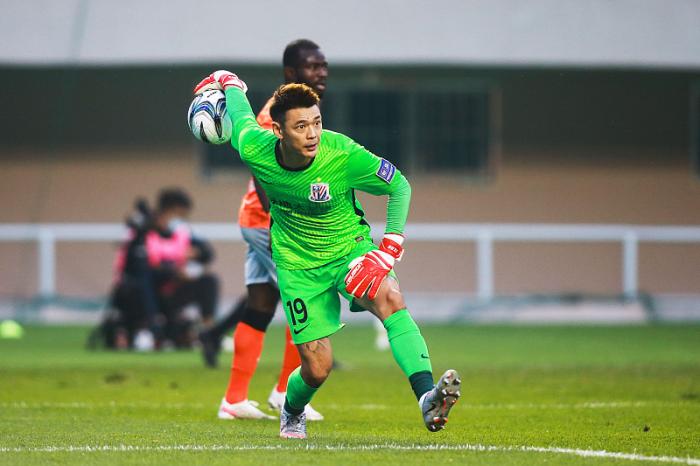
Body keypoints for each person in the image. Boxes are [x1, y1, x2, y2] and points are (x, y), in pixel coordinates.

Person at [192, 72, 461, 439]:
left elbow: (399, 185)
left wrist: (389, 248)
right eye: (301, 126)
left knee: (391, 299)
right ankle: (291, 410)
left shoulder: (343, 154)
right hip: (297, 266)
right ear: (278, 131)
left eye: (317, 122)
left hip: (350, 251)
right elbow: (239, 114)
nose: (313, 134)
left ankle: (427, 397)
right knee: (318, 367)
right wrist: (228, 82)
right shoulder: (253, 147)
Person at [201, 39, 326, 421]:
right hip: (267, 222)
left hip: (257, 220)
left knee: (260, 306)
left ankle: (234, 400)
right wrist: (278, 223)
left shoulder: (298, 107)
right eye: (312, 66)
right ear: (291, 72)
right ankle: (285, 391)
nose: (321, 72)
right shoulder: (277, 112)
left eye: (323, 65)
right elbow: (262, 170)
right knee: (305, 299)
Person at [103, 188, 219, 350]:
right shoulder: (142, 232)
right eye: (180, 214)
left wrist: (196, 254)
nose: (182, 219)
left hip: (169, 289)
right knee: (144, 282)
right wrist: (173, 272)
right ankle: (149, 327)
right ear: (170, 209)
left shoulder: (181, 232)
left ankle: (209, 331)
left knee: (209, 281)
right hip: (139, 293)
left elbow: (207, 253)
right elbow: (139, 269)